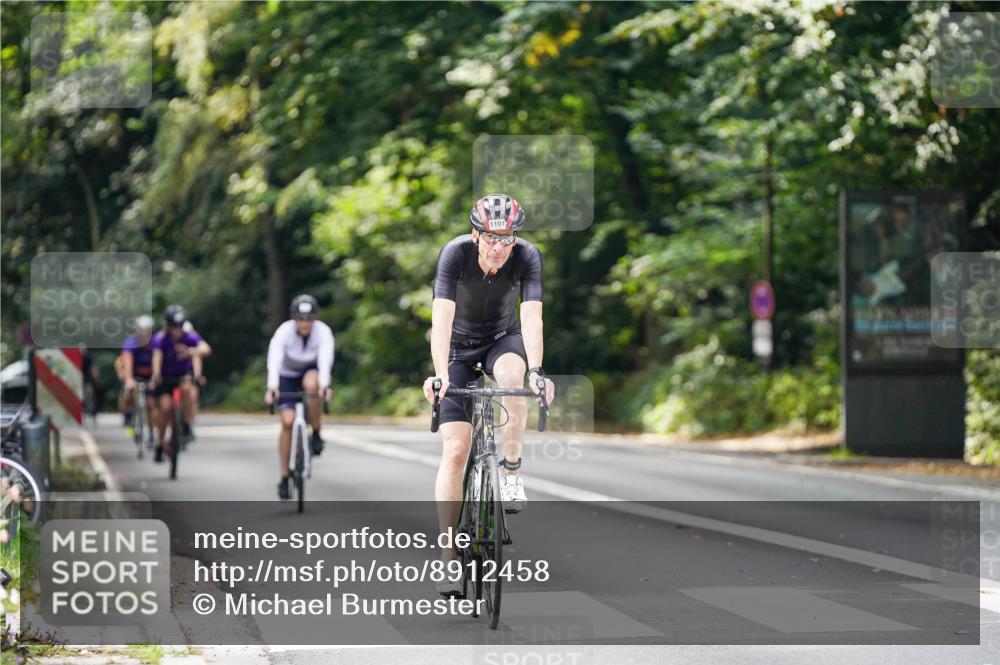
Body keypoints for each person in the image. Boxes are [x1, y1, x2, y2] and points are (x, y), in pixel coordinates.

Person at [421, 193, 554, 597]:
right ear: (475, 235)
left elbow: (532, 318)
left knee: (514, 376)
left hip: (502, 339)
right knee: (456, 451)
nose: (499, 247)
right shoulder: (454, 254)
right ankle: (448, 556)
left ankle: (511, 472)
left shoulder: (527, 256)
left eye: (507, 238)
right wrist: (441, 376)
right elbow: (441, 321)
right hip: (458, 348)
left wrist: (536, 372)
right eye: (491, 238)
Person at [264, 295, 334, 500]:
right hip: (287, 374)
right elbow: (274, 359)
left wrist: (324, 385)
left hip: (310, 371)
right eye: (300, 319)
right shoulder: (284, 332)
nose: (305, 323)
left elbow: (325, 360)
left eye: (309, 319)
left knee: (312, 385)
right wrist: (272, 387)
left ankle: (317, 431)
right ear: (294, 318)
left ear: (314, 319)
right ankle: (285, 477)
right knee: (287, 421)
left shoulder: (323, 332)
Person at [149, 305, 211, 461]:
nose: (177, 330)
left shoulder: (189, 337)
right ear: (168, 326)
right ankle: (161, 442)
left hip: (182, 376)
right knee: (165, 408)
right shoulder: (160, 339)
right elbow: (157, 357)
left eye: (180, 326)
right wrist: (156, 375)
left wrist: (190, 351)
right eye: (174, 327)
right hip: (165, 378)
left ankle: (186, 424)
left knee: (189, 390)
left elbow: (205, 349)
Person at [119, 315, 157, 442]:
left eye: (146, 330)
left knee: (150, 405)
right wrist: (129, 379)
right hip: (134, 374)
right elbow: (127, 361)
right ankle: (129, 413)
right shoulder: (131, 342)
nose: (144, 333)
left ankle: (151, 434)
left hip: (150, 376)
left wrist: (155, 379)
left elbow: (158, 362)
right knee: (128, 389)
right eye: (141, 330)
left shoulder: (155, 343)